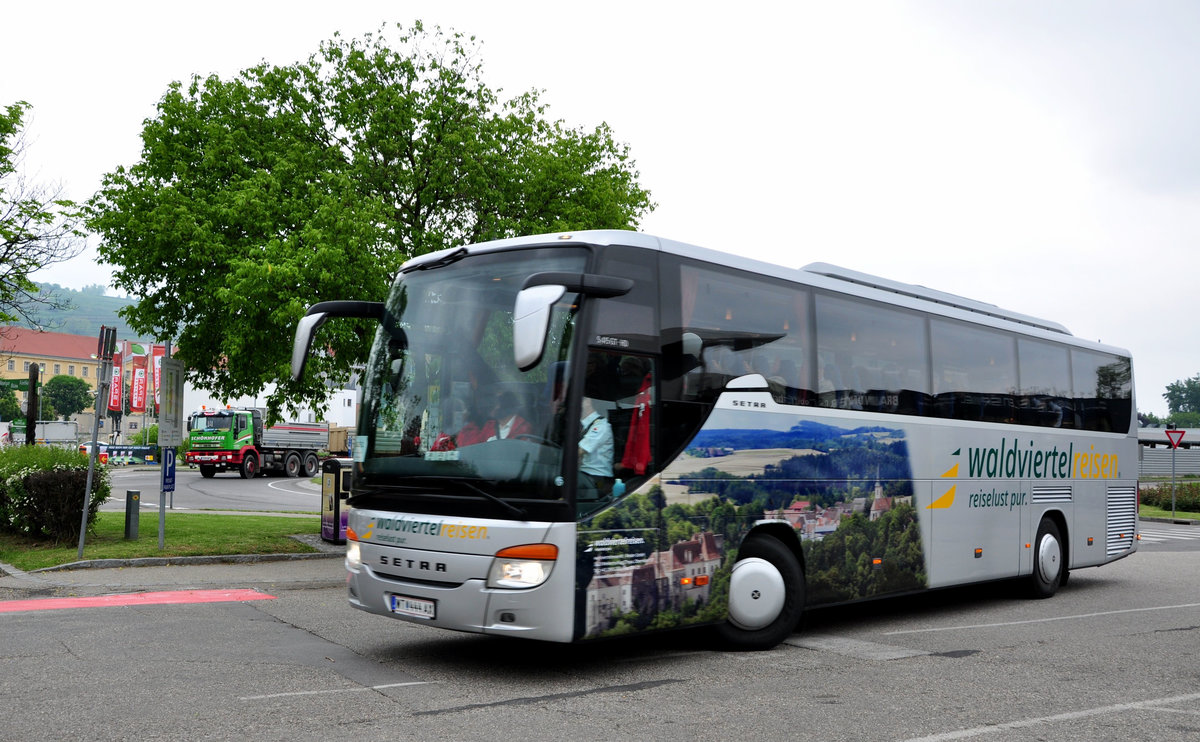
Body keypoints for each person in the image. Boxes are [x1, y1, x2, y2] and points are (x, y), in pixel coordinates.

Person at [578, 397, 614, 497]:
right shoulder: (583, 425)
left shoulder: (601, 425)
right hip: (584, 475)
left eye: (579, 399)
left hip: (597, 479)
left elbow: (579, 451)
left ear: (588, 402)